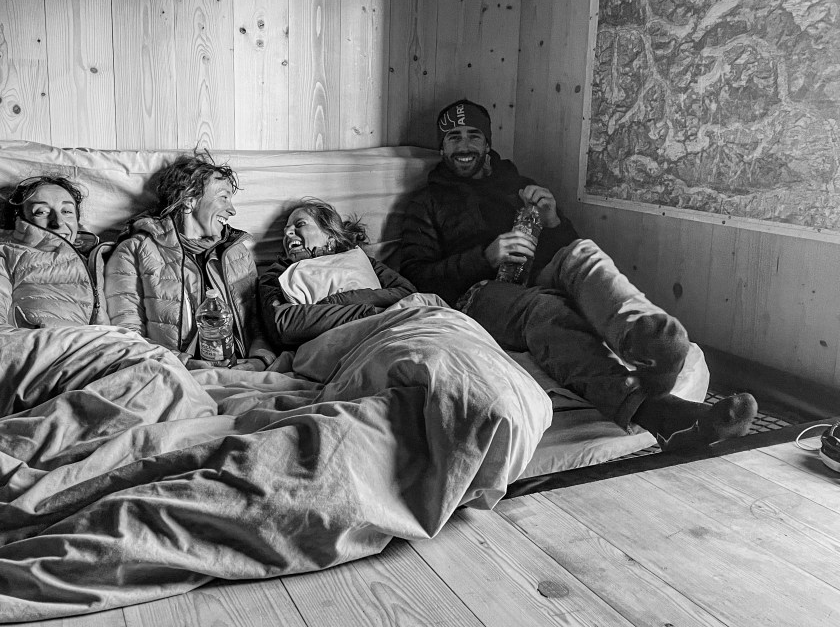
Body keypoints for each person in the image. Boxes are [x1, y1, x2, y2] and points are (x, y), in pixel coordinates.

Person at [399, 99, 758, 451]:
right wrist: (484, 257)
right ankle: (658, 412)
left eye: (473, 136)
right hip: (479, 293)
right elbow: (416, 277)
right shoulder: (427, 203)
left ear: (487, 143)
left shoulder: (519, 186)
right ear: (442, 148)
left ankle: (653, 343)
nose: (464, 146)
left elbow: (563, 246)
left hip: (541, 270)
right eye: (454, 137)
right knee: (545, 310)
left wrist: (553, 220)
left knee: (583, 254)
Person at [105, 150, 276, 371]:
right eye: (223, 197)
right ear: (189, 200)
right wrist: (186, 363)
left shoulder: (237, 252)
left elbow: (259, 323)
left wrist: (259, 360)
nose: (232, 210)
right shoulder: (134, 251)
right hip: (171, 372)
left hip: (245, 372)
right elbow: (128, 335)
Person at [0, 175, 106, 339]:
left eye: (67, 211)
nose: (58, 222)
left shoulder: (98, 261)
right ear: (18, 219)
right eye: (41, 212)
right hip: (37, 351)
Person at [258, 198, 420, 349]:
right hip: (348, 344)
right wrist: (372, 313)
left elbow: (407, 293)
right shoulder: (278, 274)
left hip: (399, 329)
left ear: (330, 235)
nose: (288, 233)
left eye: (300, 224)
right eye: (285, 231)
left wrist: (333, 302)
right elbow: (286, 324)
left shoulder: (362, 260)